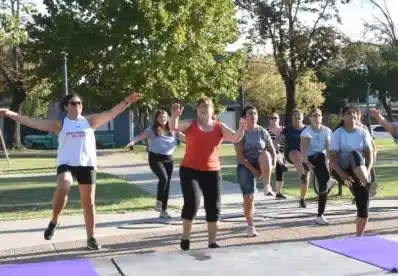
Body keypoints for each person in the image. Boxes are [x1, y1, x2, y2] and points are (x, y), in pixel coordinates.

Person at [1, 91, 140, 250]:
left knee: (89, 202)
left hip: (86, 164)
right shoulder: (59, 124)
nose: (77, 106)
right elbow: (31, 121)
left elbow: (111, 113)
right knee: (64, 184)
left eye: (80, 103)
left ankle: (91, 238)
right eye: (73, 103)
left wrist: (127, 101)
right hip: (66, 163)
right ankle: (54, 220)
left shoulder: (90, 121)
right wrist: (10, 113)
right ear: (66, 106)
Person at [170, 98, 246, 250]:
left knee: (213, 206)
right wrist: (175, 116)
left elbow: (235, 137)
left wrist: (241, 129)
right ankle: (185, 238)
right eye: (200, 107)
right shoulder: (191, 124)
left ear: (212, 110)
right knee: (192, 202)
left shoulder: (219, 127)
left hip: (212, 172)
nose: (203, 110)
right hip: (190, 170)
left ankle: (212, 241)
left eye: (206, 107)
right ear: (197, 111)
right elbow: (174, 127)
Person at [329, 105, 376, 236]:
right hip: (343, 169)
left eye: (355, 113)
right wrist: (342, 174)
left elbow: (369, 154)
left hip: (362, 170)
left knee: (363, 206)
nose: (352, 115)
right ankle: (364, 180)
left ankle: (358, 236)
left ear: (358, 116)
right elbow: (332, 158)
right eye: (348, 113)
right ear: (343, 117)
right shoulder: (338, 133)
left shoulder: (363, 132)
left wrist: (368, 169)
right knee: (354, 153)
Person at [125, 108, 179, 220]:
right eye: (160, 117)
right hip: (155, 158)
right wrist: (132, 142)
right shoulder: (151, 130)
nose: (163, 119)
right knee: (163, 178)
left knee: (167, 184)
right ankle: (159, 202)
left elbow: (186, 137)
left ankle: (163, 211)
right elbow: (140, 136)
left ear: (167, 118)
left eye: (164, 117)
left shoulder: (172, 130)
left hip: (169, 159)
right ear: (156, 119)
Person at [234, 105, 277, 237]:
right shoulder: (241, 133)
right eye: (250, 113)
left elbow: (271, 150)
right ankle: (250, 226)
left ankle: (267, 186)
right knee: (249, 198)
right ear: (244, 117)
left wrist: (273, 163)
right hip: (245, 165)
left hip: (260, 162)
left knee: (265, 155)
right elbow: (240, 156)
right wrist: (254, 171)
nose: (253, 116)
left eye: (255, 113)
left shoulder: (262, 131)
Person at [301, 108, 337, 225]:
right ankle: (329, 180)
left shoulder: (326, 130)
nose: (317, 118)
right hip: (310, 159)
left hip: (322, 160)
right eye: (315, 116)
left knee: (323, 185)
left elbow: (327, 147)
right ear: (310, 118)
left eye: (319, 115)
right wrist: (307, 163)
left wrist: (330, 162)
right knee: (321, 157)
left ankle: (320, 215)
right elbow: (304, 148)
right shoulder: (307, 131)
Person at [283, 109, 311, 207]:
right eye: (294, 115)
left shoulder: (308, 129)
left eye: (299, 115)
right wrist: (276, 145)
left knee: (306, 176)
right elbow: (280, 138)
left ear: (303, 117)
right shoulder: (288, 129)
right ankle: (301, 173)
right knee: (296, 154)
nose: (297, 117)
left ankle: (302, 199)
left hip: (305, 155)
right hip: (291, 152)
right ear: (292, 118)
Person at [267, 113, 289, 199]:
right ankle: (268, 188)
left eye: (275, 118)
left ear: (279, 119)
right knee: (279, 163)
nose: (274, 120)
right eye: (271, 118)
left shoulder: (284, 130)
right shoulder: (266, 131)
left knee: (279, 168)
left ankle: (278, 192)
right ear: (269, 120)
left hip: (282, 153)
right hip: (269, 153)